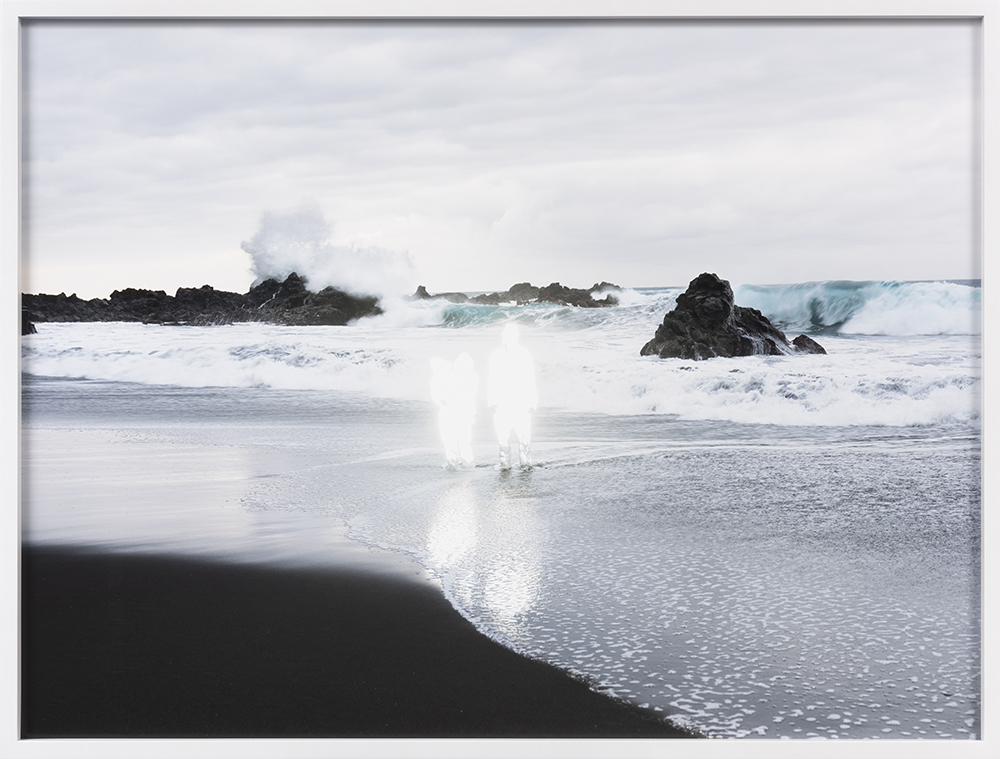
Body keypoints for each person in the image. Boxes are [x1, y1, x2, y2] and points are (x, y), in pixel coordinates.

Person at [487, 323, 537, 470]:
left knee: (524, 438)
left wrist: (532, 402)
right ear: (504, 336)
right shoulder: (496, 355)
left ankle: (526, 465)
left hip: (521, 401)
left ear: (518, 336)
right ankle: (504, 466)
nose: (512, 337)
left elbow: (530, 378)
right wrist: (492, 401)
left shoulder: (525, 354)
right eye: (509, 334)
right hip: (502, 402)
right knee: (503, 438)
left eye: (514, 334)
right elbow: (492, 379)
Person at [430, 353, 478, 469]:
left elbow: (442, 395)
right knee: (457, 440)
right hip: (456, 414)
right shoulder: (463, 377)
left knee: (456, 440)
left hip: (455, 414)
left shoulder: (461, 377)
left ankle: (457, 464)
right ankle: (464, 464)